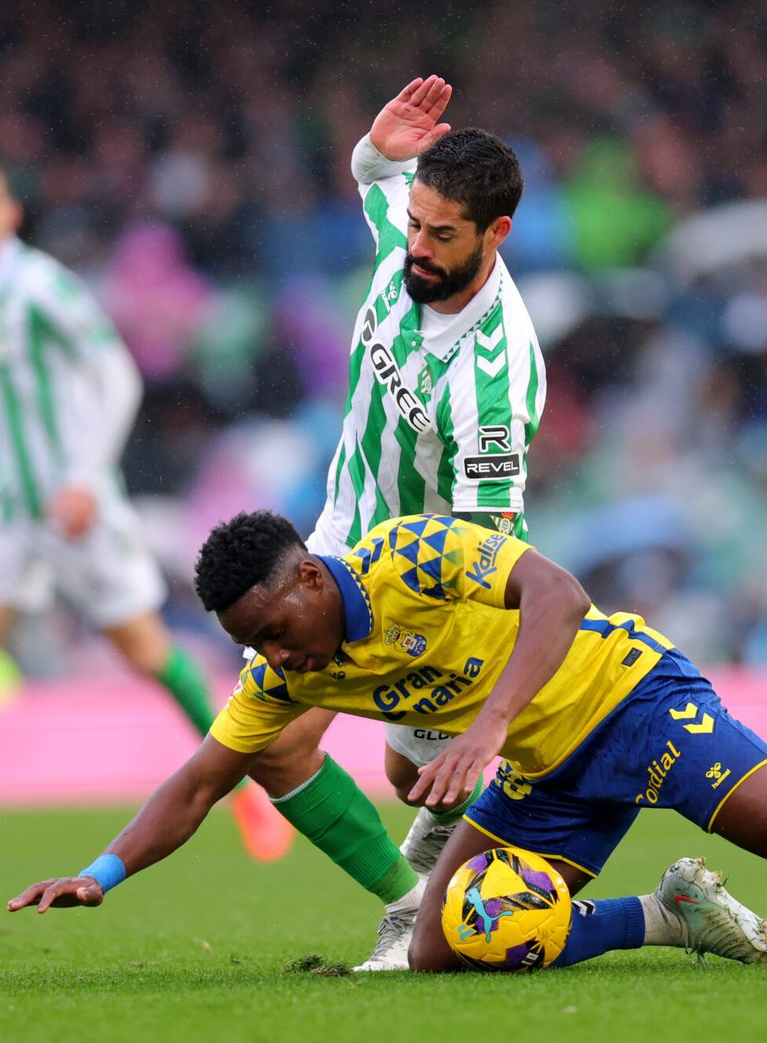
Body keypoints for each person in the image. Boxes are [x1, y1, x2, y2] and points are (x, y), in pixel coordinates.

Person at [9, 511, 767, 971]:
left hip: (629, 700)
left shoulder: (410, 553)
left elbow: (556, 590)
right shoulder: (281, 664)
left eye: (279, 628)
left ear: (309, 577)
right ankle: (667, 916)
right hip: (543, 777)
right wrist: (101, 871)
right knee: (442, 948)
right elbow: (203, 777)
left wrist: (488, 725)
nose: (285, 661)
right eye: (261, 646)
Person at [0, 161, 291, 872]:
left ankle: (248, 791)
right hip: (1, 506)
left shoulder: (40, 288)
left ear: (10, 216)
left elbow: (115, 372)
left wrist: (88, 477)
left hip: (72, 504)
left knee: (148, 652)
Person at [232, 75, 547, 969]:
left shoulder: (496, 378)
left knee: (410, 780)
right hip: (334, 545)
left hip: (424, 592)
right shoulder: (410, 237)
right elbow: (373, 177)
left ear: (497, 235)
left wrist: (478, 676)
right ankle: (413, 906)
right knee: (275, 741)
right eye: (414, 221)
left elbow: (493, 544)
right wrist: (377, 149)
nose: (415, 244)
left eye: (441, 234)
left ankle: (478, 855)